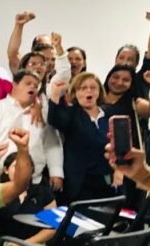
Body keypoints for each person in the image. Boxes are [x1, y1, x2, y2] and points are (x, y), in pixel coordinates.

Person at [0, 70, 64, 191]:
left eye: (36, 85)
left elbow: (52, 143)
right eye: (28, 83)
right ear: (14, 85)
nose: (33, 87)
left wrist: (56, 171)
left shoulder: (42, 114)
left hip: (36, 181)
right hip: (2, 180)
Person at [47, 72, 118, 203]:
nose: (88, 91)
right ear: (75, 93)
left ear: (99, 92)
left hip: (107, 179)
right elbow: (55, 120)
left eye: (93, 87)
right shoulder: (71, 114)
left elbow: (121, 144)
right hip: (79, 183)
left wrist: (120, 171)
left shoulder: (110, 113)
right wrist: (55, 95)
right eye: (83, 88)